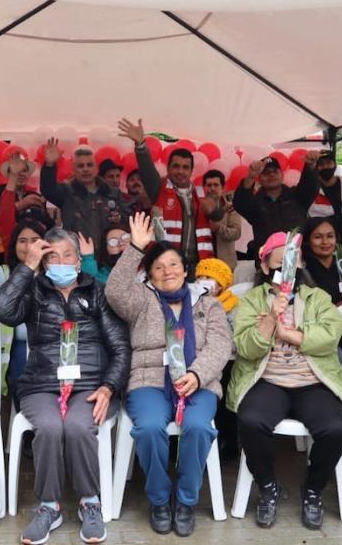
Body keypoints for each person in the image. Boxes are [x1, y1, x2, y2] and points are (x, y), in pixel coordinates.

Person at [0, 227, 130, 544]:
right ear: (43, 261)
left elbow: (121, 348)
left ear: (79, 261)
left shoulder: (97, 292)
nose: (61, 261)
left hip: (91, 383)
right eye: (52, 256)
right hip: (41, 383)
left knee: (80, 427)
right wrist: (26, 268)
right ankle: (49, 506)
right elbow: (2, 311)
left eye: (68, 255)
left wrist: (109, 387)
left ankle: (89, 502)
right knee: (52, 427)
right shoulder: (35, 290)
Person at [105, 213, 230, 537]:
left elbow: (220, 345)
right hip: (148, 379)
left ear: (186, 269)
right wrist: (135, 248)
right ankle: (160, 499)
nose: (167, 271)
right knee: (147, 429)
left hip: (197, 382)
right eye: (158, 267)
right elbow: (115, 293)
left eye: (173, 264)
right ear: (149, 275)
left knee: (199, 427)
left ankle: (186, 500)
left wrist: (197, 374)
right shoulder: (141, 299)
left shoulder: (207, 304)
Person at [228, 231, 342, 530]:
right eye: (281, 263)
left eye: (293, 263)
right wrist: (271, 317)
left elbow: (330, 338)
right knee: (251, 421)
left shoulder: (318, 297)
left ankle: (313, 489)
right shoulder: (252, 301)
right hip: (268, 380)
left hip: (312, 380)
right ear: (267, 267)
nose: (288, 270)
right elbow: (246, 347)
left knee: (336, 428)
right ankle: (268, 486)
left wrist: (287, 335)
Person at [119, 118, 214, 274]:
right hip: (165, 265)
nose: (180, 171)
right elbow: (147, 169)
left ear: (191, 171)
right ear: (168, 168)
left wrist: (216, 209)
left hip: (197, 267)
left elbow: (217, 217)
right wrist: (140, 145)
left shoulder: (202, 193)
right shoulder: (159, 188)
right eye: (176, 166)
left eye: (185, 167)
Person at [0, 219, 48, 402]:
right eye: (22, 241)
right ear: (14, 245)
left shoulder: (54, 272)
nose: (29, 246)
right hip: (19, 347)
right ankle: (27, 424)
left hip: (50, 346)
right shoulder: (5, 273)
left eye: (35, 240)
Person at [40, 139, 129, 255]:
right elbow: (48, 189)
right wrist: (49, 165)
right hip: (78, 257)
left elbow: (127, 220)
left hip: (109, 257)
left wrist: (119, 219)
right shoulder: (66, 192)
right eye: (80, 166)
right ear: (73, 170)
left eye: (89, 165)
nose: (85, 169)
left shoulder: (113, 193)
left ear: (96, 169)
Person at [193, 258, 241, 462]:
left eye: (210, 278)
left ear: (222, 285)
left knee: (226, 400)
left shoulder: (233, 306)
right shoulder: (192, 302)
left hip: (228, 360)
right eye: (200, 277)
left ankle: (229, 442)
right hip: (199, 361)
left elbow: (236, 339)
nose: (204, 282)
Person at [232, 154, 320, 259]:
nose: (271, 175)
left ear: (282, 175)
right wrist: (250, 177)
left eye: (275, 171)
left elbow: (310, 186)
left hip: (298, 260)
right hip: (267, 263)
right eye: (266, 173)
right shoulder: (254, 203)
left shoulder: (298, 196)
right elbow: (240, 203)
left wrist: (310, 166)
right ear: (259, 179)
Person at [0, 153, 55, 242]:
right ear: (9, 174)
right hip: (6, 244)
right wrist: (21, 204)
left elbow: (49, 225)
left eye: (24, 171)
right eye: (17, 171)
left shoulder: (35, 195)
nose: (21, 174)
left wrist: (42, 211)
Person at [200, 170, 242, 270]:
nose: (212, 188)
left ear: (222, 187)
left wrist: (219, 228)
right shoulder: (197, 206)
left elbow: (236, 233)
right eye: (209, 185)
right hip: (202, 263)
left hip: (225, 265)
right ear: (204, 187)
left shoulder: (231, 206)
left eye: (216, 185)